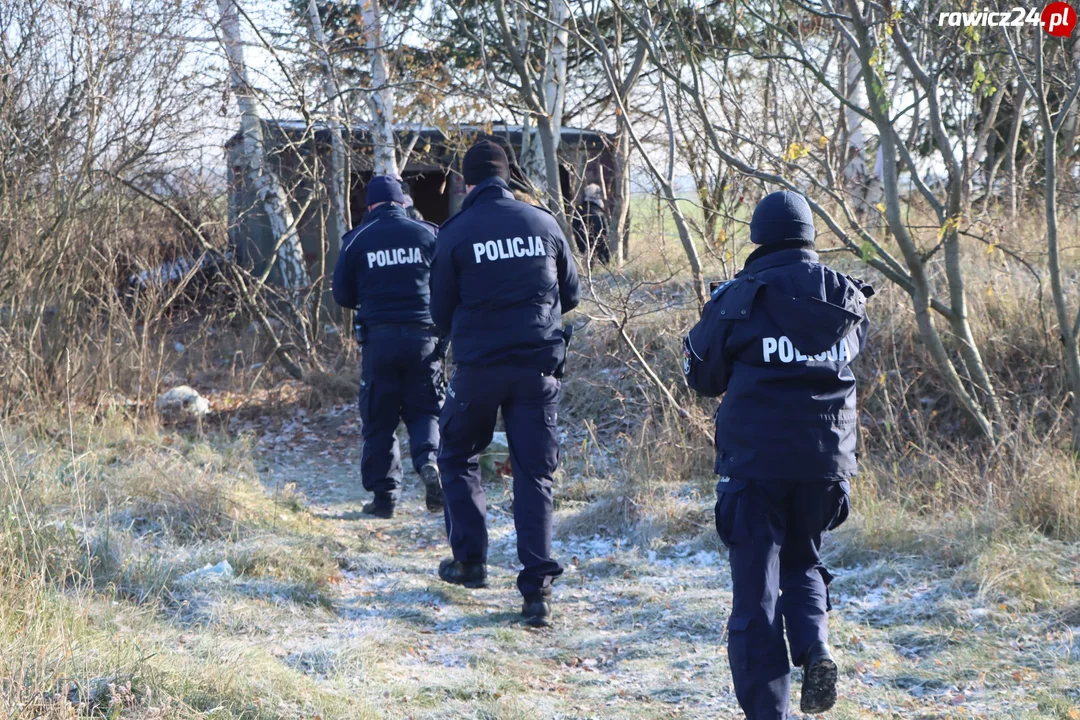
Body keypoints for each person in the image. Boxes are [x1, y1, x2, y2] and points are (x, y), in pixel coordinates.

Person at [682, 190, 873, 718]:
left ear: (758, 237)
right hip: (826, 463)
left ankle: (770, 712)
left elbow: (703, 376)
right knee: (803, 560)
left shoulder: (741, 297)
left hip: (756, 465)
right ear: (810, 235)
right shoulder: (846, 296)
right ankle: (816, 650)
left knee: (756, 596)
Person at [430, 140, 580, 628]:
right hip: (538, 370)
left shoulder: (455, 232)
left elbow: (439, 312)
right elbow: (571, 294)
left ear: (467, 183)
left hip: (478, 369)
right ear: (509, 177)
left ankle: (471, 561)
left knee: (455, 455)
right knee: (534, 474)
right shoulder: (544, 223)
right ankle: (537, 592)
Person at [332, 175, 446, 519]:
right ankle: (430, 463)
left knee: (380, 420)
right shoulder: (429, 234)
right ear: (403, 203)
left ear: (370, 206)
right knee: (425, 410)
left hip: (379, 341)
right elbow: (448, 281)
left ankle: (385, 499)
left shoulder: (357, 240)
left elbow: (342, 295)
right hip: (425, 339)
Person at [571, 183, 610, 264]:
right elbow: (604, 237)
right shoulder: (599, 214)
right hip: (597, 255)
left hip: (580, 252)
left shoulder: (578, 212)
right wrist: (607, 258)